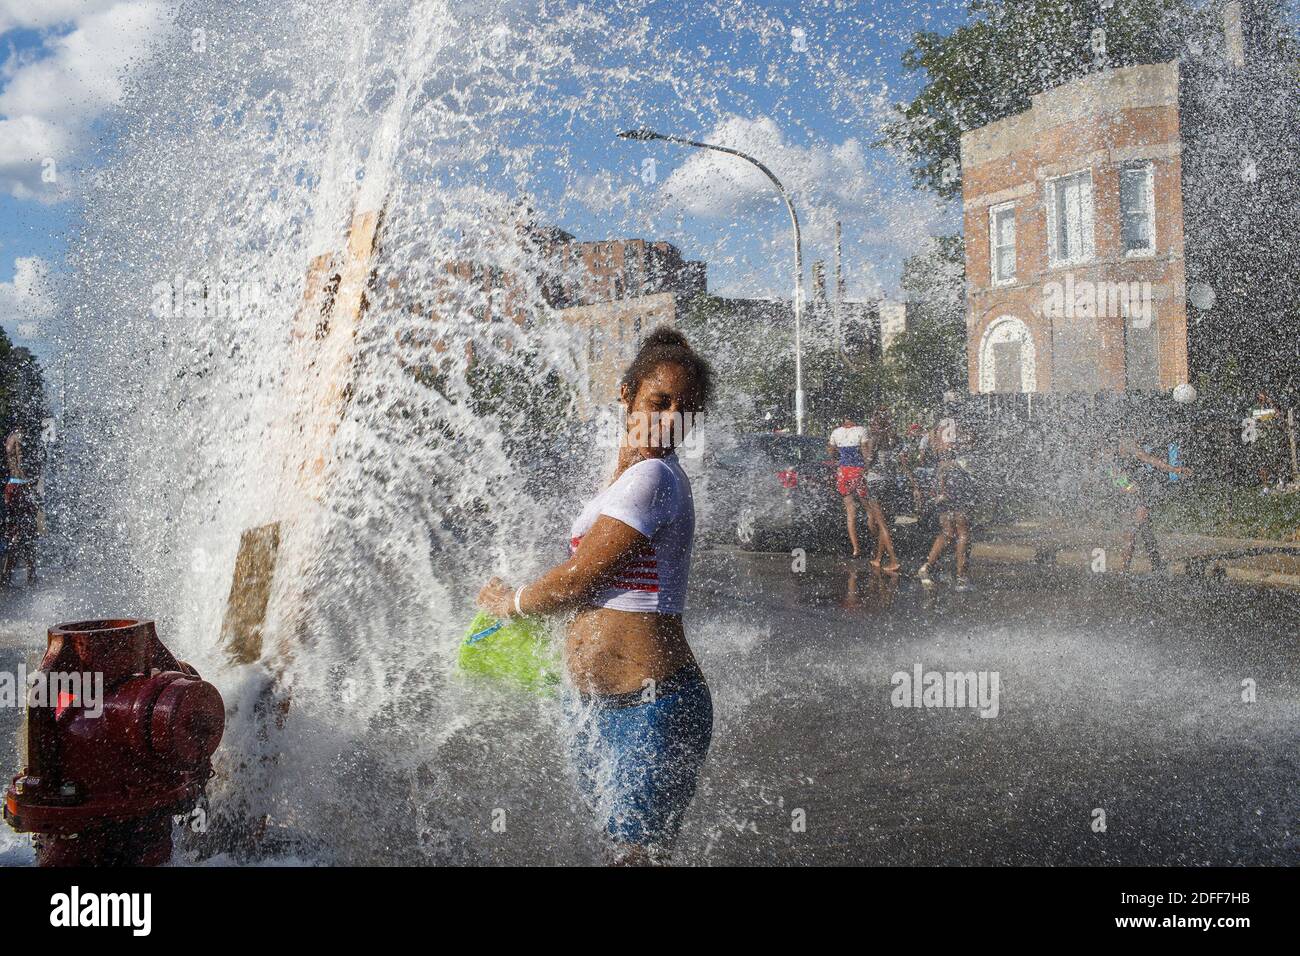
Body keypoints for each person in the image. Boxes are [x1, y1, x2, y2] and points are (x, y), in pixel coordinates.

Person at [476, 326, 713, 864]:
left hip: (652, 708)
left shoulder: (655, 476)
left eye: (685, 409)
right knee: (618, 853)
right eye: (660, 400)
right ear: (626, 394)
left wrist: (510, 603)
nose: (671, 417)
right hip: (592, 707)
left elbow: (580, 580)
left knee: (635, 858)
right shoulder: (624, 479)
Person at [1103, 431, 1190, 574]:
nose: (1137, 442)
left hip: (1140, 496)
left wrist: (1175, 469)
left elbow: (1152, 460)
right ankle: (1144, 566)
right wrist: (1126, 488)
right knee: (1140, 532)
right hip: (1124, 498)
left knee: (1132, 532)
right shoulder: (1112, 456)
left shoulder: (1134, 451)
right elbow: (1114, 478)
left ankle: (1129, 569)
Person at [2, 426, 39, 586]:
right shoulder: (19, 437)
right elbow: (22, 463)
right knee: (29, 532)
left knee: (14, 531)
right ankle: (31, 575)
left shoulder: (9, 438)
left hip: (11, 485)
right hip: (22, 487)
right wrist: (32, 483)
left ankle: (6, 574)